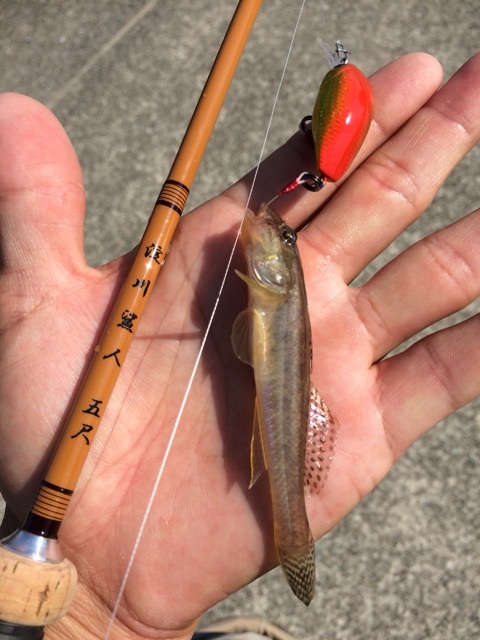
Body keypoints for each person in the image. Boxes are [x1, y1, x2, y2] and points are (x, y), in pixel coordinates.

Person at [0, 51, 479, 640]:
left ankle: (289, 531)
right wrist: (94, 615)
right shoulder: (269, 284)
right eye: (282, 239)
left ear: (279, 276)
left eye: (280, 243)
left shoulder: (275, 286)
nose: (273, 234)